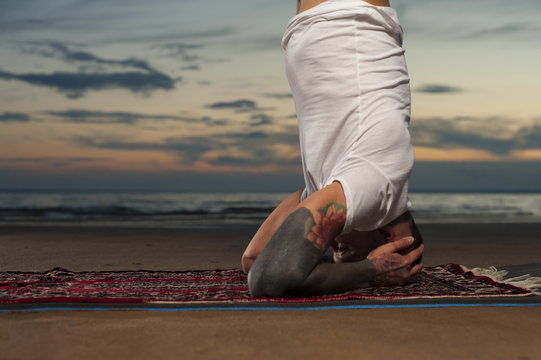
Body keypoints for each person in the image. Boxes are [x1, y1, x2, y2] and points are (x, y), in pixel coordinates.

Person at [243, 0, 424, 297]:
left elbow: (254, 261)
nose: (333, 253)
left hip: (315, 28)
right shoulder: (375, 187)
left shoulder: (338, 187)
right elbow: (269, 280)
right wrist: (371, 272)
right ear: (386, 235)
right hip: (349, 21)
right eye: (344, 254)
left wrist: (358, 268)